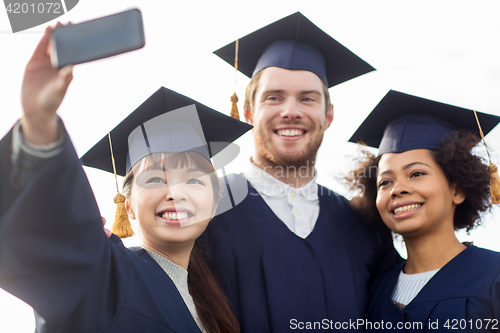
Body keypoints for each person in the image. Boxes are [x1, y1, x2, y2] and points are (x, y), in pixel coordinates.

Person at [0, 25, 251, 333]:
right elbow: (52, 230)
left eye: (194, 181)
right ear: (128, 207)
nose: (175, 193)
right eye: (156, 180)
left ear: (213, 204)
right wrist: (39, 127)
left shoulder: (212, 300)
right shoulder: (105, 276)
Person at [200, 12, 400, 332]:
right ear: (249, 112)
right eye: (274, 97)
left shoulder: (364, 225)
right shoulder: (204, 209)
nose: (290, 111)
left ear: (328, 115)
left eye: (307, 98)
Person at [346, 90, 500, 332]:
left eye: (416, 174)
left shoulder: (494, 275)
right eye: (385, 182)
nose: (397, 189)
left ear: (458, 189)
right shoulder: (374, 290)